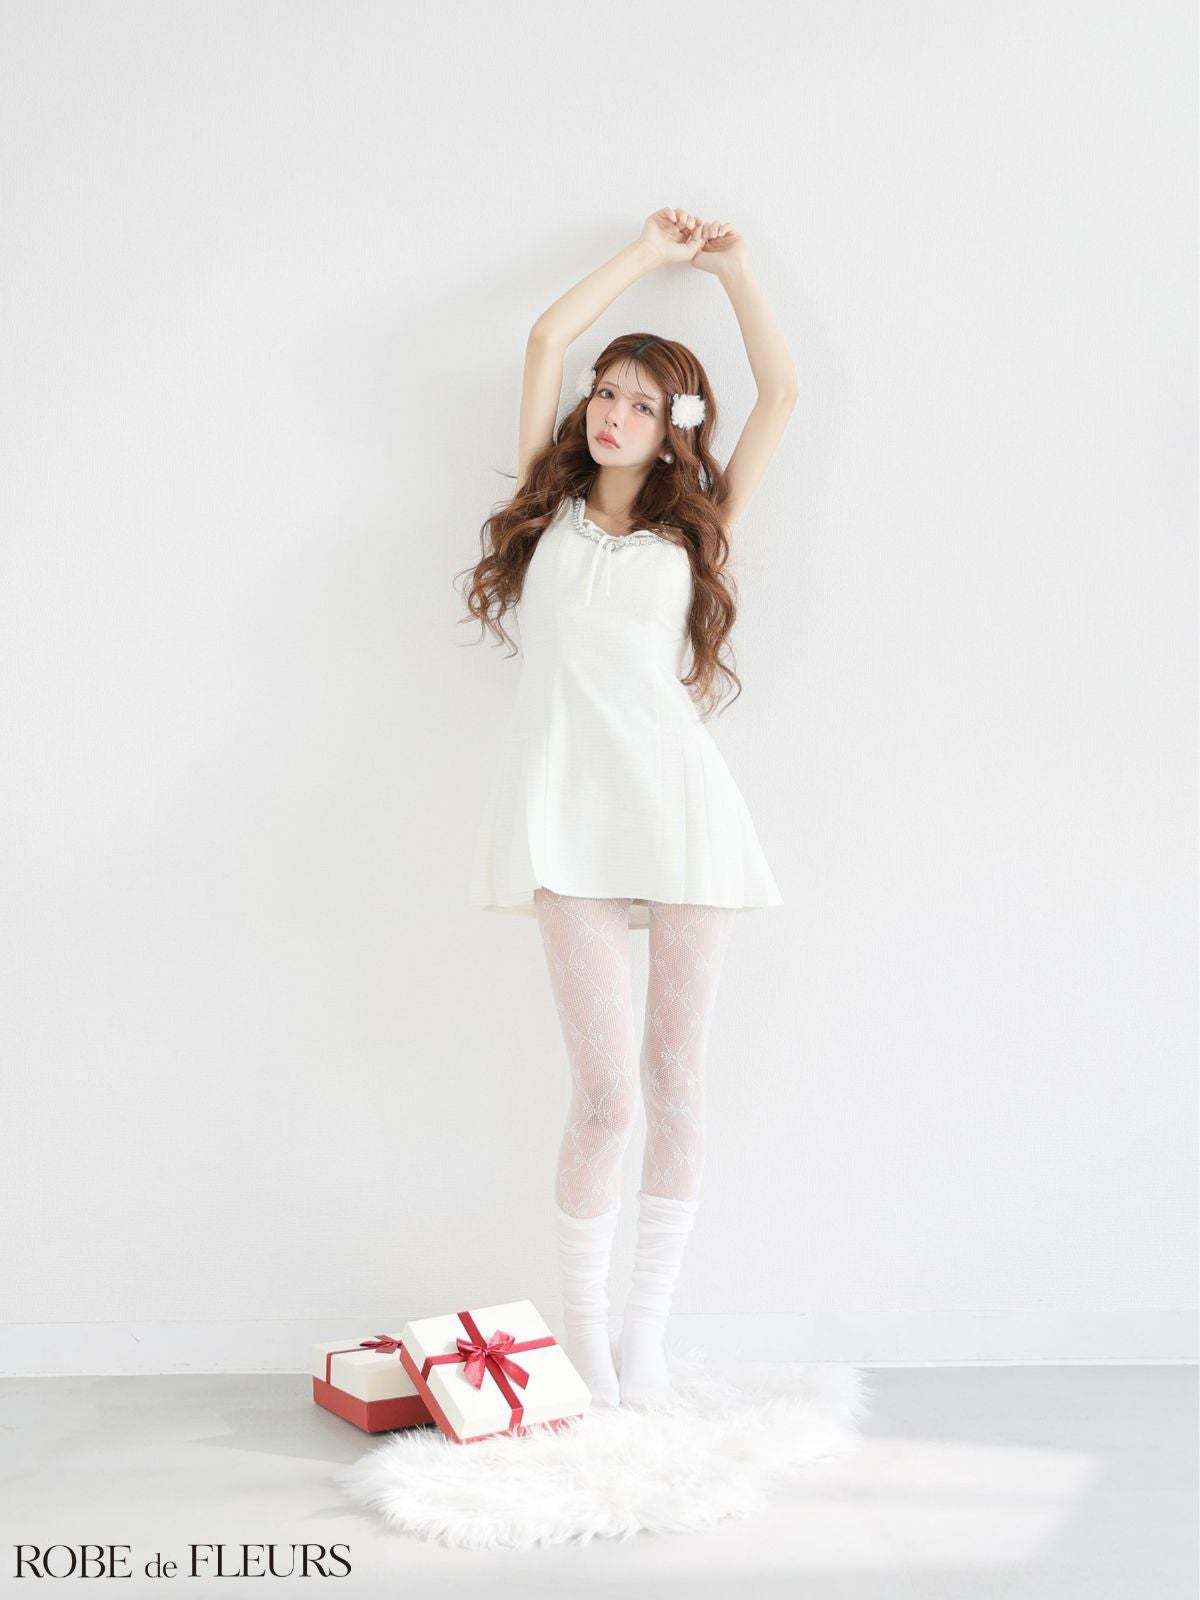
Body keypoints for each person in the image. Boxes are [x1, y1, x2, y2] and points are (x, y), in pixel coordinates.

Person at [456, 208, 799, 1409]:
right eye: (607, 392)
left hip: (682, 812)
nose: (612, 412)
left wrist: (735, 270)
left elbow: (785, 395)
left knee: (676, 1083)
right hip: (565, 818)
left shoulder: (698, 528)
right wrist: (649, 255)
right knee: (604, 1098)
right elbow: (545, 337)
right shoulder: (546, 512)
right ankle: (586, 1337)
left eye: (643, 403)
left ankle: (648, 1334)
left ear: (673, 427)